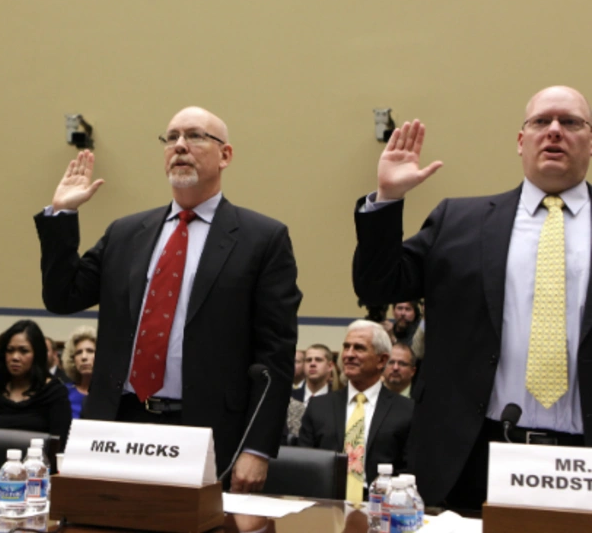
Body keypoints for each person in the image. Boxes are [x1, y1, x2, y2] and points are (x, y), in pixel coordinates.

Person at [33, 106, 301, 493]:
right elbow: (62, 296)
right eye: (171, 137)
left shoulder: (262, 239)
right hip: (117, 422)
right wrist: (61, 214)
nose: (179, 146)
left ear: (225, 155)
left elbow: (276, 353)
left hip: (204, 430)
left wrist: (257, 448)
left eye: (194, 136)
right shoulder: (126, 233)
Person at [353, 86, 592, 509]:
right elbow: (378, 286)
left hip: (581, 460)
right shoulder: (459, 221)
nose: (554, 131)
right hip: (471, 454)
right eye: (541, 122)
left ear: (589, 140)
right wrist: (389, 199)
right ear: (521, 142)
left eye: (570, 122)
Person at [298, 320, 412, 502]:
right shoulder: (318, 407)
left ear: (381, 360)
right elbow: (303, 466)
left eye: (359, 348)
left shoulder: (406, 411)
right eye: (346, 347)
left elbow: (409, 472)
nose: (349, 354)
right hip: (325, 505)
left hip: (381, 508)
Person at [0, 320, 72, 441]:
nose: (15, 357)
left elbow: (59, 444)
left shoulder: (55, 393)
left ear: (37, 355)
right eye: (10, 350)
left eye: (23, 351)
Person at [62, 325, 96, 419]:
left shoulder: (111, 396)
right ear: (72, 359)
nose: (84, 357)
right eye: (78, 352)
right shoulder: (63, 393)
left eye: (90, 351)